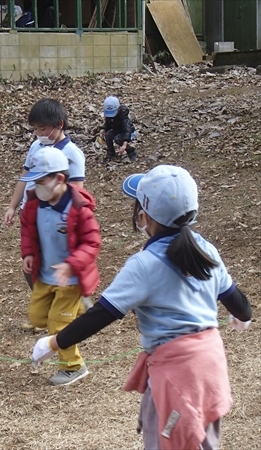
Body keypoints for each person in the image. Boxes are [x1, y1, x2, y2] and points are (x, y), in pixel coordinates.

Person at [32, 165, 252, 447]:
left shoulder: (144, 266)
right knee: (204, 440)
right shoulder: (204, 248)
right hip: (211, 368)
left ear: (143, 215)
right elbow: (241, 306)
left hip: (176, 377)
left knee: (167, 441)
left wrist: (54, 343)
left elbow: (102, 314)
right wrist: (241, 316)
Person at [4, 98, 87, 331]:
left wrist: (68, 221)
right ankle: (55, 309)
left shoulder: (72, 154)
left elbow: (77, 191)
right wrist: (13, 205)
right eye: (35, 129)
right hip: (33, 216)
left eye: (43, 129)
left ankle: (69, 309)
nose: (38, 134)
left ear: (59, 124)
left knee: (58, 267)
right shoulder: (36, 148)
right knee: (31, 265)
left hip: (58, 220)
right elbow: (24, 178)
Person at [20, 146, 100, 386]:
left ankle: (73, 366)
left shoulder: (77, 208)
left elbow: (92, 242)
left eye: (41, 181)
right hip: (45, 276)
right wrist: (29, 253)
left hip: (70, 280)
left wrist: (71, 265)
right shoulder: (34, 205)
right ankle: (79, 310)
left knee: (58, 324)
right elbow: (27, 231)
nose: (35, 187)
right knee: (37, 318)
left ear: (60, 179)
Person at [100, 95, 137, 163]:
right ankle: (111, 152)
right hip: (117, 130)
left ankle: (131, 151)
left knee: (118, 139)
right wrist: (104, 129)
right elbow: (108, 124)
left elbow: (127, 129)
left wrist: (124, 145)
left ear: (119, 108)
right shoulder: (110, 116)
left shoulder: (123, 117)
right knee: (108, 135)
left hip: (128, 133)